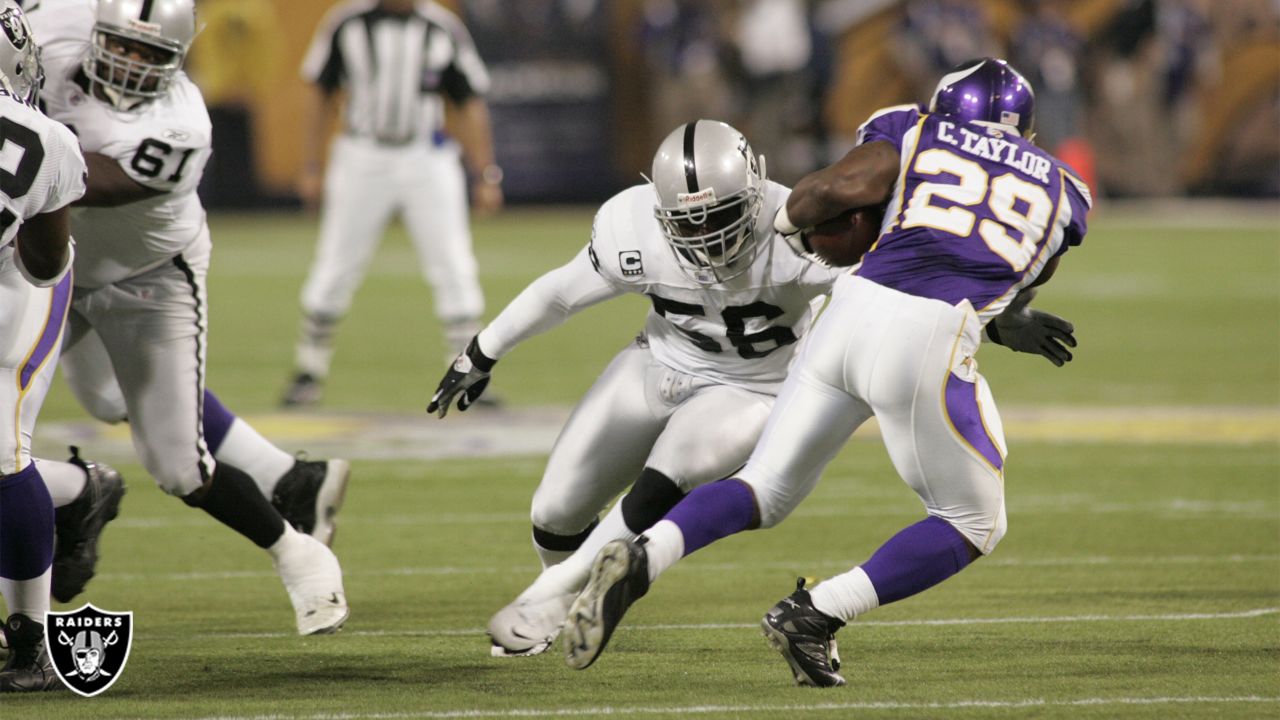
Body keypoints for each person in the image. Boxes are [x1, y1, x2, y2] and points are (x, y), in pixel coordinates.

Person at [562, 58, 1090, 685]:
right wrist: (1006, 318)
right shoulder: (1066, 189)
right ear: (1024, 131)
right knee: (974, 521)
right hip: (927, 336)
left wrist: (790, 227)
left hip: (848, 311)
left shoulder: (915, 128)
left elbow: (832, 194)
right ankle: (816, 614)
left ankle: (645, 558)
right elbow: (1009, 260)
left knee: (763, 487)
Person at [429, 119, 844, 656]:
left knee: (666, 475)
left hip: (754, 385)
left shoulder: (803, 229)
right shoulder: (634, 227)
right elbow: (561, 294)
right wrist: (481, 352)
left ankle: (550, 599)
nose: (705, 236)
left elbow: (877, 291)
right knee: (554, 512)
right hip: (660, 359)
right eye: (687, 224)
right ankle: (585, 597)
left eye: (718, 217)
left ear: (756, 193)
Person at [27, 0, 348, 636]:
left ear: (177, 61)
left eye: (152, 54)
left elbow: (81, 179)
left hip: (148, 281)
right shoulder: (53, 26)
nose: (132, 62)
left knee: (177, 466)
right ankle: (81, 506)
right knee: (91, 404)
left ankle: (298, 553)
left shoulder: (180, 126)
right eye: (123, 44)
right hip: (54, 268)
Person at [282, 0, 504, 407]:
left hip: (426, 154)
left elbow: (469, 99)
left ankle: (468, 373)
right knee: (335, 264)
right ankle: (308, 371)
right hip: (361, 153)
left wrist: (486, 172)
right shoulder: (346, 22)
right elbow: (318, 92)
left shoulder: (441, 27)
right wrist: (310, 165)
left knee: (454, 264)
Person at [0, 0, 89, 691]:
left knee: (3, 446)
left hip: (12, 294)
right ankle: (82, 488)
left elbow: (41, 268)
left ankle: (29, 640)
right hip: (25, 267)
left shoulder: (42, 142)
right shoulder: (46, 138)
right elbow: (46, 255)